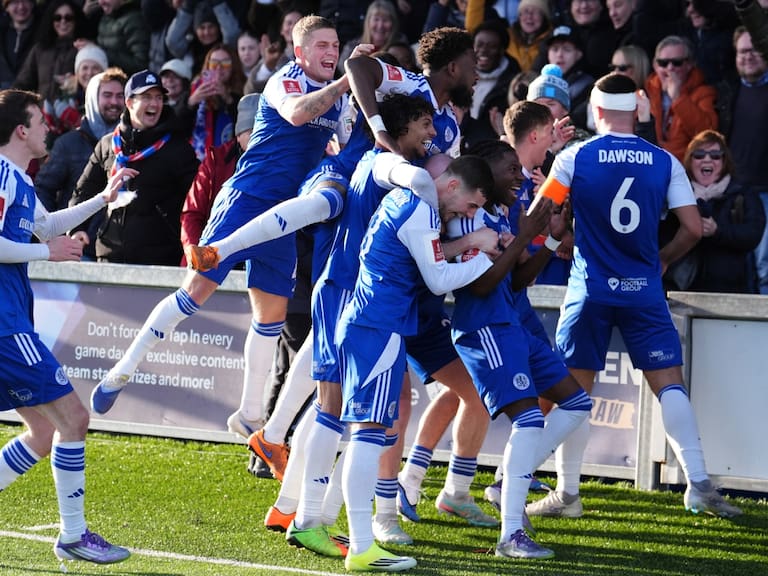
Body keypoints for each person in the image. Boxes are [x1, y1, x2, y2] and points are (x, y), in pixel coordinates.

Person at [89, 17, 356, 437]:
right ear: (300, 51)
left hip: (287, 216)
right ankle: (122, 371)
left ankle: (249, 415)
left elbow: (338, 146)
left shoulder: (339, 100)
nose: (331, 52)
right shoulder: (284, 81)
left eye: (336, 44)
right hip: (245, 202)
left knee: (272, 317)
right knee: (196, 291)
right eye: (322, 44)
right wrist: (346, 83)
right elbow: (300, 114)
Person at [527, 72, 742, 519]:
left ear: (598, 110)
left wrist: (557, 240)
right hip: (644, 288)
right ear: (637, 110)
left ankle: (567, 494)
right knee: (669, 385)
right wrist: (663, 259)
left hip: (589, 288)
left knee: (575, 394)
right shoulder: (664, 160)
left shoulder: (574, 156)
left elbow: (539, 215)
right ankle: (699, 483)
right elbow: (694, 227)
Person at [338, 155, 496, 571]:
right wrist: (482, 256)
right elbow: (438, 279)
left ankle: (362, 537)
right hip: (378, 325)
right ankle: (362, 543)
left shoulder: (411, 202)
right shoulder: (419, 208)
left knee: (369, 432)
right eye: (472, 204)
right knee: (369, 434)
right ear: (450, 186)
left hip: (379, 323)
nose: (470, 213)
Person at [0, 88, 133, 565]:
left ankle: (73, 536)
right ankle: (73, 536)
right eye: (39, 122)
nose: (46, 130)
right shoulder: (2, 176)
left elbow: (47, 226)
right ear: (21, 129)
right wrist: (46, 253)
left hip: (11, 320)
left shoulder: (17, 179)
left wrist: (103, 197)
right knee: (74, 419)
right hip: (5, 327)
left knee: (40, 431)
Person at [445, 142, 592, 560]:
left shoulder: (500, 215)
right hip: (485, 328)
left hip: (513, 325)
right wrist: (524, 236)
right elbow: (479, 285)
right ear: (484, 174)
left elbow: (514, 280)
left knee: (577, 404)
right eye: (510, 169)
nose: (519, 175)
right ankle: (511, 535)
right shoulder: (466, 219)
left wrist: (548, 241)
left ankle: (509, 480)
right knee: (527, 419)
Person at [69, 69, 198, 265]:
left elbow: (197, 202)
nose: (154, 104)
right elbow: (84, 191)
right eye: (146, 97)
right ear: (129, 103)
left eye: (158, 98)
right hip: (108, 255)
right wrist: (77, 228)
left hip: (160, 262)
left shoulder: (177, 149)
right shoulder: (107, 145)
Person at [664, 130, 764, 293]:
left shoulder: (742, 194)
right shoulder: (675, 194)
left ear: (725, 161)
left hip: (731, 292)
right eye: (699, 154)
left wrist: (717, 231)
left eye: (715, 155)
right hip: (681, 290)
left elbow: (752, 234)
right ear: (690, 159)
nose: (707, 159)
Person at [35, 68, 127, 215]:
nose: (114, 102)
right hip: (75, 234)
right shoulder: (68, 144)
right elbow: (43, 189)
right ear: (92, 99)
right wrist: (52, 229)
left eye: (120, 96)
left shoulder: (131, 142)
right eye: (107, 95)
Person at [719, 27, 768, 294]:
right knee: (743, 270)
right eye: (741, 51)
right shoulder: (728, 92)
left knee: (765, 269)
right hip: (735, 193)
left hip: (766, 193)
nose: (747, 57)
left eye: (754, 50)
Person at [644, 35, 718, 163]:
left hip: (686, 170)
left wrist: (679, 99)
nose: (670, 68)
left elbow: (708, 136)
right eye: (663, 63)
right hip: (652, 166)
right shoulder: (646, 92)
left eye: (677, 63)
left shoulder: (704, 93)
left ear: (689, 65)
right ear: (655, 66)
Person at [461, 19, 520, 150]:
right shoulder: (458, 75)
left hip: (491, 150)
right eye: (479, 45)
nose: (484, 51)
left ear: (502, 50)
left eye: (491, 46)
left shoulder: (514, 83)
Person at [12, 0, 87, 104]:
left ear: (76, 20)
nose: (63, 21)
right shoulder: (40, 49)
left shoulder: (84, 49)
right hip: (42, 115)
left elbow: (92, 84)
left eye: (68, 18)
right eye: (57, 18)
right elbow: (22, 83)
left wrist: (74, 82)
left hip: (74, 114)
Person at [188, 43, 245, 161]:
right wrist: (191, 102)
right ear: (207, 66)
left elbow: (245, 127)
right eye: (214, 63)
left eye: (225, 63)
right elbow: (179, 125)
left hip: (229, 160)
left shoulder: (243, 89)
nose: (219, 68)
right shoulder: (194, 88)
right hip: (197, 159)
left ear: (233, 66)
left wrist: (228, 99)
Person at [467, 0, 552, 73]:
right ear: (519, 16)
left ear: (544, 17)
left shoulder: (552, 42)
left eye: (536, 12)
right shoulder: (507, 36)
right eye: (525, 11)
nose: (529, 16)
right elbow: (474, 28)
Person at [165, 0, 239, 76]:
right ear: (195, 30)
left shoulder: (226, 46)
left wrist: (218, 4)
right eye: (202, 28)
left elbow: (232, 34)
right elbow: (172, 41)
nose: (207, 32)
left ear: (218, 28)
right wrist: (187, 7)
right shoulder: (190, 48)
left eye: (211, 27)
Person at [338, 0, 406, 75]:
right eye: (376, 19)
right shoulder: (352, 47)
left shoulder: (401, 49)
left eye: (385, 20)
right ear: (368, 22)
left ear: (393, 23)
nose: (380, 26)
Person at [96, 0, 149, 75]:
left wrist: (99, 52)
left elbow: (141, 64)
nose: (101, 2)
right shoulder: (106, 17)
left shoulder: (134, 20)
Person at [0, 0, 39, 89]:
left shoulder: (43, 33)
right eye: (15, 2)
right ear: (6, 7)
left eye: (25, 1)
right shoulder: (2, 32)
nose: (21, 6)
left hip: (31, 94)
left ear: (32, 4)